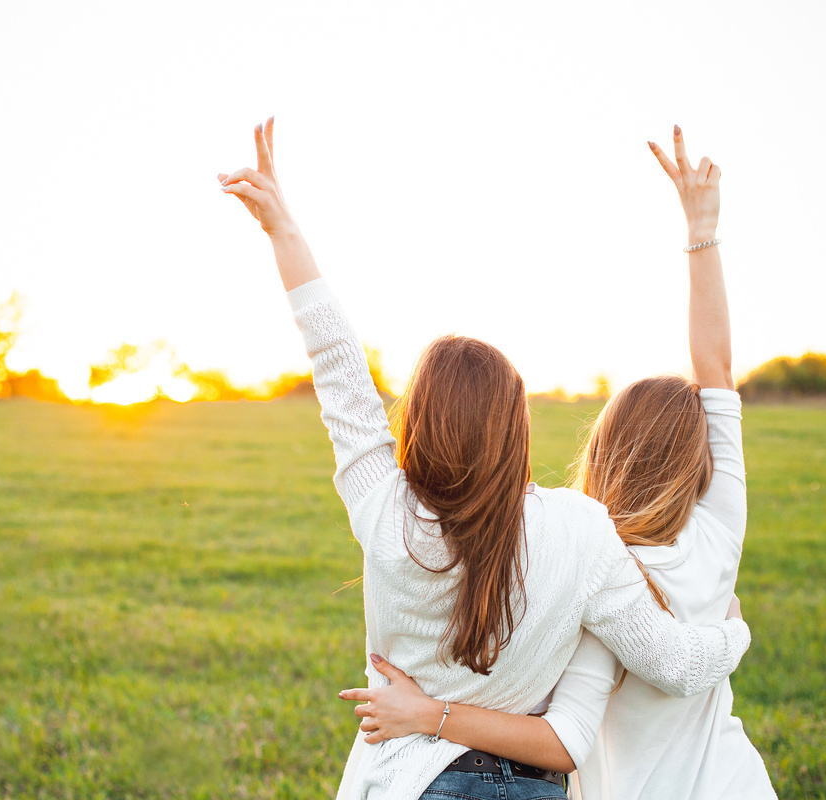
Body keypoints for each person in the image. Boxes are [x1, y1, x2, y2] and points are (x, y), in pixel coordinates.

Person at [218, 119, 752, 800]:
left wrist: (283, 230)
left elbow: (338, 366)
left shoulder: (387, 514)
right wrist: (733, 633)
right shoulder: (584, 532)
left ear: (415, 423)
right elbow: (674, 663)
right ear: (517, 431)